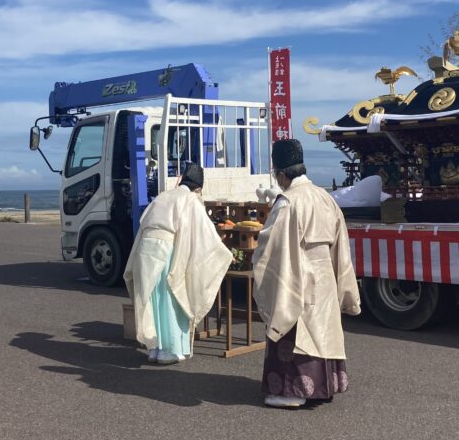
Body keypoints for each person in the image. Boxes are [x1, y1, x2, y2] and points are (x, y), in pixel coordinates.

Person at [252, 138, 361, 409]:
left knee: (295, 328)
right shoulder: (326, 198)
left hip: (298, 273)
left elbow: (272, 246)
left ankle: (293, 391)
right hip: (325, 272)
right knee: (322, 330)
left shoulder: (288, 202)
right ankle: (324, 386)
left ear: (280, 174)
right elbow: (340, 244)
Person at [124, 163, 232, 364]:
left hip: (145, 250)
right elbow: (204, 231)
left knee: (153, 298)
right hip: (167, 250)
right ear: (198, 188)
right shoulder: (190, 199)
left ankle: (155, 347)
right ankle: (171, 349)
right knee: (172, 297)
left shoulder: (163, 196)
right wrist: (223, 251)